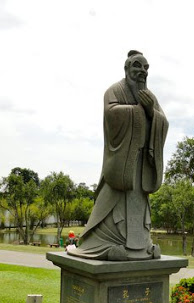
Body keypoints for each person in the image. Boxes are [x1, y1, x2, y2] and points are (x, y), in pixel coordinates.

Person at [67, 50, 168, 261]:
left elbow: (163, 123)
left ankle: (141, 247)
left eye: (146, 68)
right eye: (138, 66)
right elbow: (112, 114)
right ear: (127, 68)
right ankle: (105, 242)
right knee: (112, 203)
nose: (142, 71)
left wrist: (151, 111)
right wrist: (140, 110)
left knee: (139, 207)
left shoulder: (151, 96)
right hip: (122, 163)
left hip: (142, 166)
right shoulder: (114, 90)